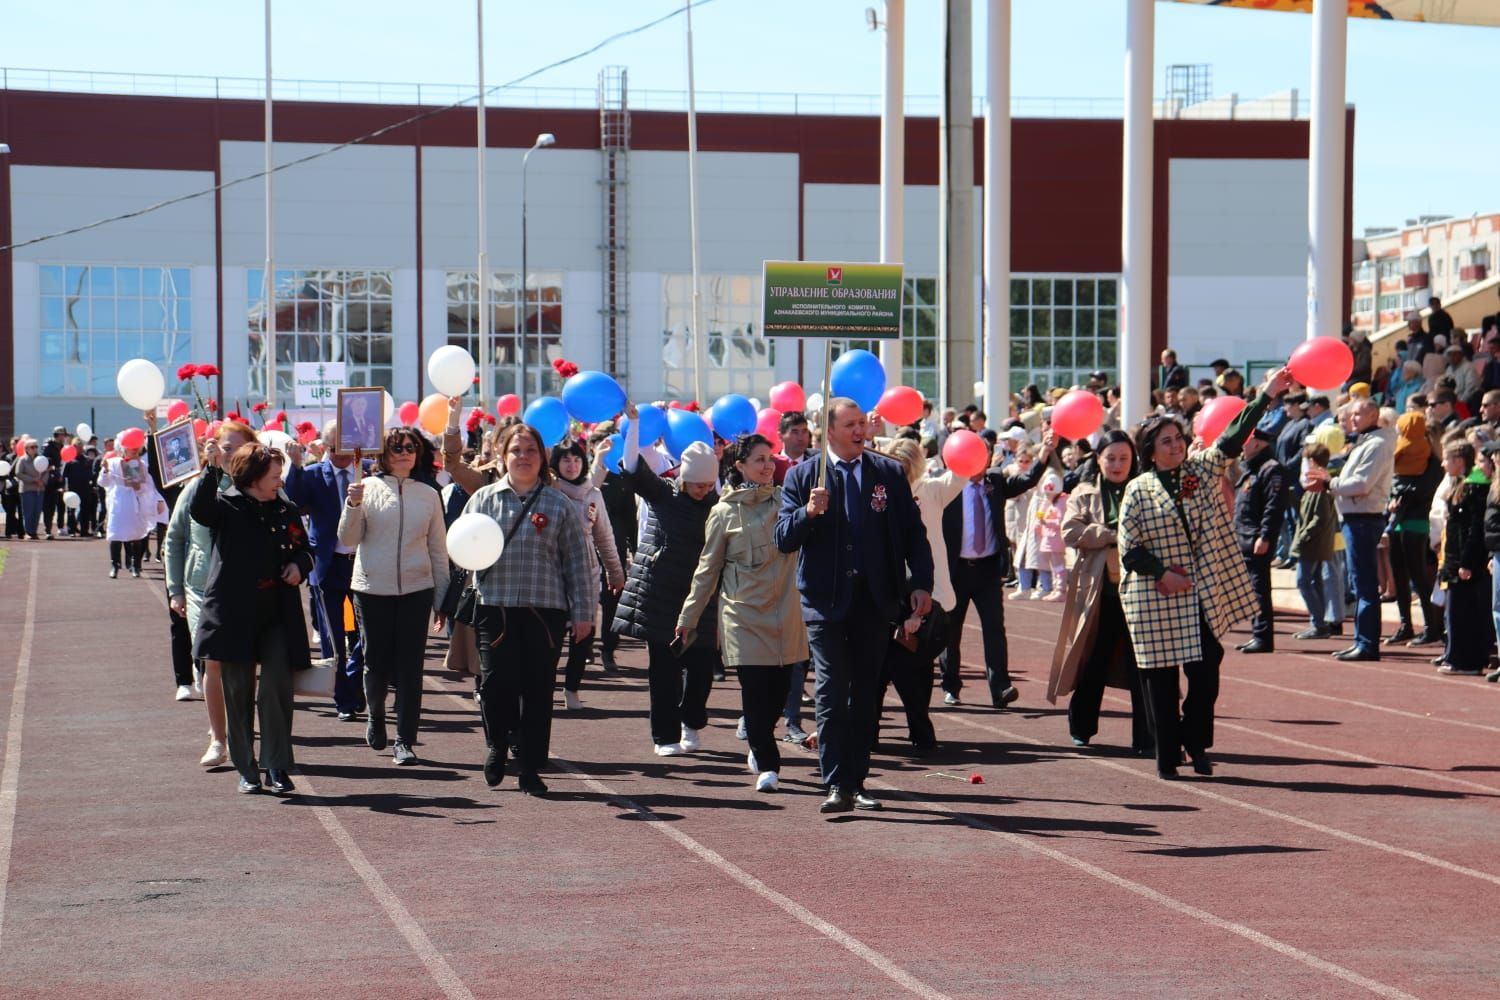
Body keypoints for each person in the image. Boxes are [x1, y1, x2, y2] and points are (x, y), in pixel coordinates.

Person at [1119, 366, 1294, 780]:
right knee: (1160, 678)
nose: (1177, 445)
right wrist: (1163, 572)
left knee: (1206, 668)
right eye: (1167, 441)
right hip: (1155, 595)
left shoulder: (1199, 472)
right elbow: (1129, 550)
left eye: (1179, 438)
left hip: (1197, 592)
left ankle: (1194, 741)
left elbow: (1233, 438)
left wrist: (1266, 395)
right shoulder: (1137, 490)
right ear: (1151, 450)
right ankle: (1167, 756)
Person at [775, 397, 934, 814]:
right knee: (830, 689)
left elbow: (914, 534)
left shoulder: (888, 473)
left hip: (875, 601)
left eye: (862, 423)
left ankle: (857, 780)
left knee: (865, 693)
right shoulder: (803, 476)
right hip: (825, 603)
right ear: (828, 430)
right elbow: (782, 539)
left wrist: (920, 583)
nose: (860, 431)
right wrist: (808, 513)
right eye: (850, 425)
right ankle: (834, 783)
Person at [462, 423, 595, 796]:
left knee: (538, 690)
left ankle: (531, 766)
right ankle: (497, 745)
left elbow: (577, 563)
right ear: (503, 456)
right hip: (495, 606)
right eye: (516, 450)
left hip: (545, 611)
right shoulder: (484, 500)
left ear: (542, 458)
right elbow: (463, 548)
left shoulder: (559, 504)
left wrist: (584, 612)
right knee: (494, 685)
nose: (523, 457)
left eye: (531, 451)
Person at [676, 434, 808, 792]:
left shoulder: (788, 502)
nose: (767, 465)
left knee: (780, 693)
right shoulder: (723, 512)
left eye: (770, 458)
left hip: (786, 611)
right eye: (759, 459)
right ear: (740, 466)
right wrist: (688, 617)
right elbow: (707, 569)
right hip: (743, 613)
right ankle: (768, 762)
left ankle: (759, 736)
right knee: (754, 688)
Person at [191, 442, 314, 795]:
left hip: (276, 610)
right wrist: (212, 469)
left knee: (276, 685)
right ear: (254, 478)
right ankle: (247, 768)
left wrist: (299, 565)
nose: (279, 481)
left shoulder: (284, 509)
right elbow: (200, 511)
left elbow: (305, 548)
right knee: (238, 689)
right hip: (233, 612)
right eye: (274, 476)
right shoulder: (226, 506)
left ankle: (276, 764)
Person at [338, 425, 451, 766]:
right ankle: (376, 716)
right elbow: (348, 538)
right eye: (397, 447)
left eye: (410, 447)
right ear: (383, 454)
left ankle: (405, 740)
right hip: (372, 589)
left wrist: (441, 598)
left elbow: (438, 549)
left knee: (410, 668)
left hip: (417, 589)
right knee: (375, 662)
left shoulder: (430, 494)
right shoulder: (366, 487)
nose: (404, 452)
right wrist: (352, 504)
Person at [614, 405, 721, 756]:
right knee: (663, 670)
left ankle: (692, 720)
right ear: (683, 478)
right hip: (661, 595)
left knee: (702, 669)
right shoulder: (663, 494)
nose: (702, 490)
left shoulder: (719, 505)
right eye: (696, 484)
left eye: (708, 484)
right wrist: (632, 425)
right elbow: (631, 466)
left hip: (701, 598)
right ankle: (665, 736)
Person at [1046, 431, 1151, 752]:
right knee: (1093, 661)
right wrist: (1108, 534)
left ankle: (1147, 736)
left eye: (1124, 458)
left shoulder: (1146, 490)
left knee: (1144, 667)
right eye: (1111, 458)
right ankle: (1082, 726)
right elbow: (1071, 531)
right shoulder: (1085, 492)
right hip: (1099, 593)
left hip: (1141, 594)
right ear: (1099, 460)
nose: (1118, 464)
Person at [938, 430, 1054, 707]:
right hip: (956, 570)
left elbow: (1027, 480)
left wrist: (1045, 453)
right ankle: (951, 685)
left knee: (994, 629)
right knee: (950, 631)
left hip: (988, 568)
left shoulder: (996, 481)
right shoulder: (946, 487)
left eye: (983, 455)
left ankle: (1000, 686)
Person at [166, 420, 256, 768]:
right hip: (202, 587)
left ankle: (241, 732)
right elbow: (174, 540)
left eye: (236, 447)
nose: (228, 453)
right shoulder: (195, 488)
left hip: (247, 588)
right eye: (224, 447)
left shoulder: (260, 486)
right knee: (212, 662)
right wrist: (175, 590)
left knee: (246, 665)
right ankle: (219, 740)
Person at [284, 421, 367, 721]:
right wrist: (294, 466)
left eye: (346, 448)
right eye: (335, 448)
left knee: (364, 635)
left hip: (363, 566)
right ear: (325, 447)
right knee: (332, 637)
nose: (341, 455)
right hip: (327, 566)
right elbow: (292, 502)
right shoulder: (312, 474)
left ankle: (355, 683)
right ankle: (343, 698)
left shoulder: (368, 471)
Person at [549, 439, 625, 709]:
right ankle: (544, 688)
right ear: (555, 463)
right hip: (553, 573)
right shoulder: (549, 490)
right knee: (551, 636)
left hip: (586, 574)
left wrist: (615, 572)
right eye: (565, 460)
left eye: (577, 459)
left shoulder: (593, 493)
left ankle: (571, 689)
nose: (571, 465)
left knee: (583, 634)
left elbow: (604, 537)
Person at [1327, 398, 1396, 661]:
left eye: (1359, 414)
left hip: (1363, 518)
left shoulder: (1377, 444)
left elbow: (1361, 484)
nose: (1353, 419)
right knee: (1360, 583)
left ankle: (1367, 643)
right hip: (1356, 517)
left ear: (1374, 415)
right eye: (1351, 414)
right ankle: (1361, 640)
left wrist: (1329, 483)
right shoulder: (1367, 442)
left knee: (1365, 585)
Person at [1435, 441, 1493, 675]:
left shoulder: (1474, 489)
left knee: (1464, 612)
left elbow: (1473, 530)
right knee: (1456, 610)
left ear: (1459, 461)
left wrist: (1466, 562)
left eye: (1447, 459)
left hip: (1464, 562)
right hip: (1454, 558)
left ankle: (1466, 661)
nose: (1443, 463)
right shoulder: (1461, 486)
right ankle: (1456, 655)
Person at [1386, 413, 1443, 646]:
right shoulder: (1399, 455)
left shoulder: (1431, 461)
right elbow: (1392, 482)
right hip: (1397, 521)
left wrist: (1401, 495)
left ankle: (1431, 628)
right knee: (1399, 576)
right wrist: (1393, 498)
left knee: (1418, 576)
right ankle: (1405, 625)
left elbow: (1424, 488)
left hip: (1417, 522)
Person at [1231, 428, 1287, 654]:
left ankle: (1263, 637)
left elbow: (1274, 507)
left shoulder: (1271, 469)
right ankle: (1257, 633)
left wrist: (1265, 536)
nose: (1242, 446)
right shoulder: (1250, 468)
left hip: (1256, 538)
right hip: (1244, 535)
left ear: (1256, 443)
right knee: (1252, 589)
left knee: (1259, 589)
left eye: (1245, 441)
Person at [1290, 443, 1339, 639]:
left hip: (1312, 544)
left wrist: (1303, 538)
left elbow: (1319, 518)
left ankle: (1318, 622)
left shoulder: (1319, 487)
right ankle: (1319, 622)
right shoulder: (1315, 485)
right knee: (1314, 580)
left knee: (1303, 581)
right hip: (1314, 543)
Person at [99, 441, 166, 580]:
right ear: (124, 448)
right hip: (118, 502)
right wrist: (105, 470)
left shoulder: (142, 465)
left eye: (136, 447)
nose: (134, 450)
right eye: (131, 447)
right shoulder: (113, 463)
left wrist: (139, 488)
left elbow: (149, 486)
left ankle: (136, 565)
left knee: (137, 534)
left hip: (135, 502)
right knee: (115, 533)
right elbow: (103, 482)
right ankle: (115, 565)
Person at [15, 439, 45, 539]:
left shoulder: (41, 459)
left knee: (37, 512)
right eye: (32, 447)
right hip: (27, 489)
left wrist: (42, 481)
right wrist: (33, 480)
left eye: (36, 446)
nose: (35, 449)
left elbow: (46, 471)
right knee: (28, 512)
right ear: (26, 449)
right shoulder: (22, 460)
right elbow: (18, 473)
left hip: (39, 489)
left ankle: (34, 532)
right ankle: (28, 532)